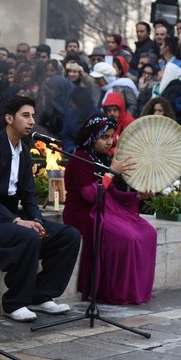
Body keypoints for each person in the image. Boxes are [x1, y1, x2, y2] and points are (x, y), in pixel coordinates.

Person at [0, 96, 80, 322]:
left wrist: (37, 220)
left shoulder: (24, 149)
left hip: (10, 215)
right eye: (25, 115)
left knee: (69, 235)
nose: (31, 121)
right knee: (28, 236)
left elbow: (28, 194)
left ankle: (41, 295)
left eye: (33, 116)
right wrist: (16, 221)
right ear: (9, 118)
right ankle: (14, 303)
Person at [63, 114, 156, 305]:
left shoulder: (101, 158)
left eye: (111, 137)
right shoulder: (79, 159)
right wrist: (111, 172)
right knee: (127, 237)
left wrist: (137, 196)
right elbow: (89, 195)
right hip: (83, 213)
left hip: (106, 208)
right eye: (104, 137)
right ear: (91, 136)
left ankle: (134, 290)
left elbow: (112, 193)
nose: (109, 142)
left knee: (148, 232)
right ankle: (115, 292)